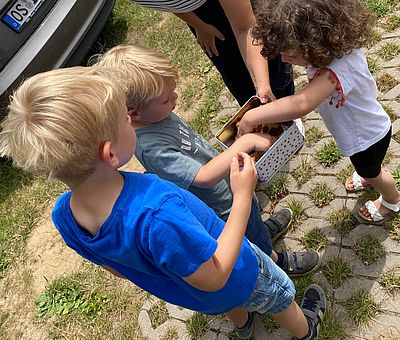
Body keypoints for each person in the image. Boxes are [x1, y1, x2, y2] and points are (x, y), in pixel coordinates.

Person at [0, 66, 326, 339]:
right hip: (237, 271)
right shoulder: (157, 211)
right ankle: (305, 329)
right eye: (124, 120)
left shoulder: (64, 217)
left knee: (226, 300)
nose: (133, 121)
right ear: (110, 153)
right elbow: (215, 274)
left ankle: (243, 323)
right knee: (279, 295)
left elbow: (115, 269)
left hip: (192, 290)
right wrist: (242, 197)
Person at [95, 44, 320, 277]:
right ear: (133, 114)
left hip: (230, 187)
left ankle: (260, 231)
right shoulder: (152, 148)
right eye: (165, 99)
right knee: (247, 232)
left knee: (251, 217)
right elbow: (203, 177)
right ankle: (273, 260)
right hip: (221, 205)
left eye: (172, 90)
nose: (175, 97)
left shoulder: (155, 116)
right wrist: (246, 142)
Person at [238, 0, 400, 225]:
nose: (285, 60)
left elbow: (302, 103)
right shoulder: (337, 51)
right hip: (365, 130)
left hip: (367, 138)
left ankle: (392, 199)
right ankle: (367, 175)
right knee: (365, 166)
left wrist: (251, 116)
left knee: (373, 170)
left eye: (291, 55)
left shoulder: (334, 72)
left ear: (315, 42)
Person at [130, 0, 294, 106]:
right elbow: (170, 3)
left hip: (236, 8)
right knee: (239, 81)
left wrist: (263, 85)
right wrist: (199, 25)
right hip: (202, 15)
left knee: (273, 74)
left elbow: (246, 27)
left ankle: (288, 110)